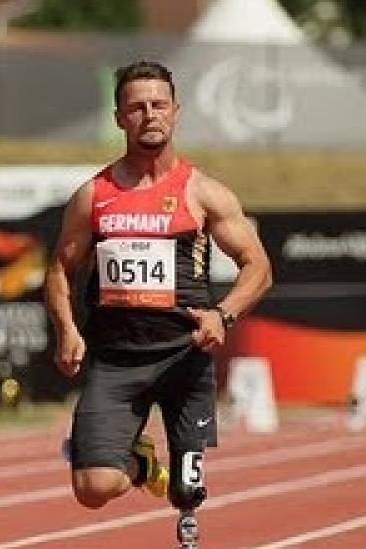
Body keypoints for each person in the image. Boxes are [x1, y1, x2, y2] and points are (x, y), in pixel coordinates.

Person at [45, 61, 272, 513]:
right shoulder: (94, 195)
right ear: (119, 118)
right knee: (92, 487)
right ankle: (141, 465)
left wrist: (222, 315)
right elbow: (59, 271)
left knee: (187, 495)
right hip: (115, 360)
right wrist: (67, 330)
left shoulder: (204, 193)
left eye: (158, 105)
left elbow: (258, 266)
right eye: (136, 107)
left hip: (183, 358)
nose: (149, 115)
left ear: (175, 112)